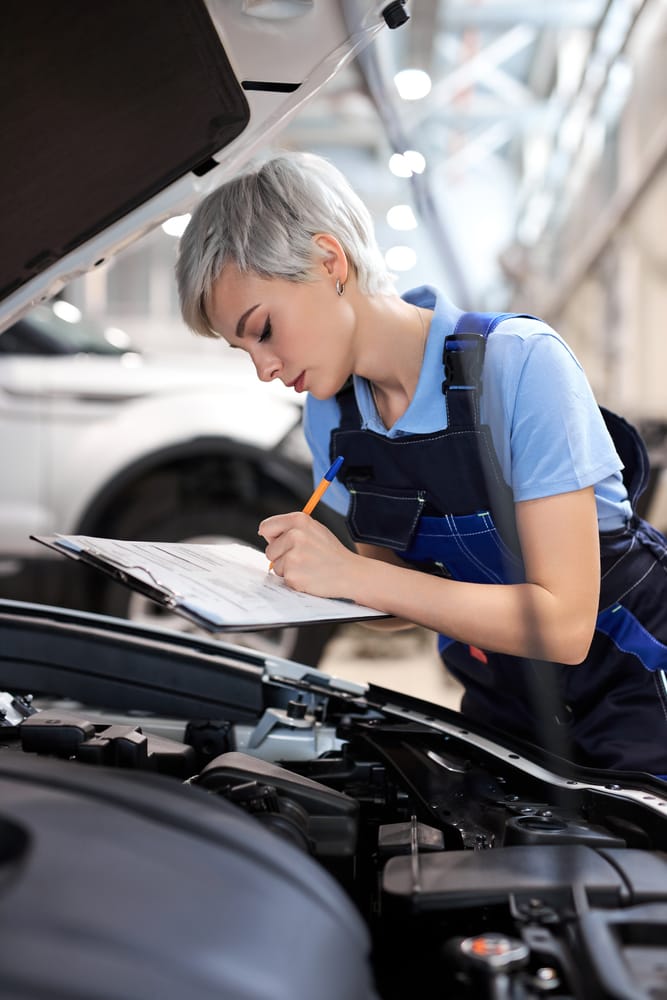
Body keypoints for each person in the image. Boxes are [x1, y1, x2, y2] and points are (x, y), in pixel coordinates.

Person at [176, 151, 667, 776]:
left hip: (635, 681)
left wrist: (353, 575)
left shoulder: (517, 364)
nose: (263, 368)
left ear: (330, 262)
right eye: (240, 347)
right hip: (504, 698)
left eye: (263, 329)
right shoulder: (333, 416)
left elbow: (565, 623)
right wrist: (311, 584)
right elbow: (392, 600)